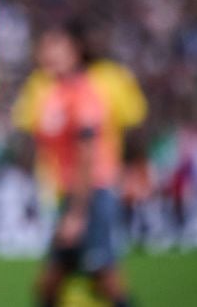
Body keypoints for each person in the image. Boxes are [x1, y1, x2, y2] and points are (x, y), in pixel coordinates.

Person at [32, 26, 133, 307]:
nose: (48, 53)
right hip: (74, 193)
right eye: (45, 47)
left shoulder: (83, 92)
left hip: (92, 193)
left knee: (103, 275)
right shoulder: (56, 92)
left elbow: (87, 154)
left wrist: (77, 213)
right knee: (51, 281)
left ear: (76, 51)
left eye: (56, 47)